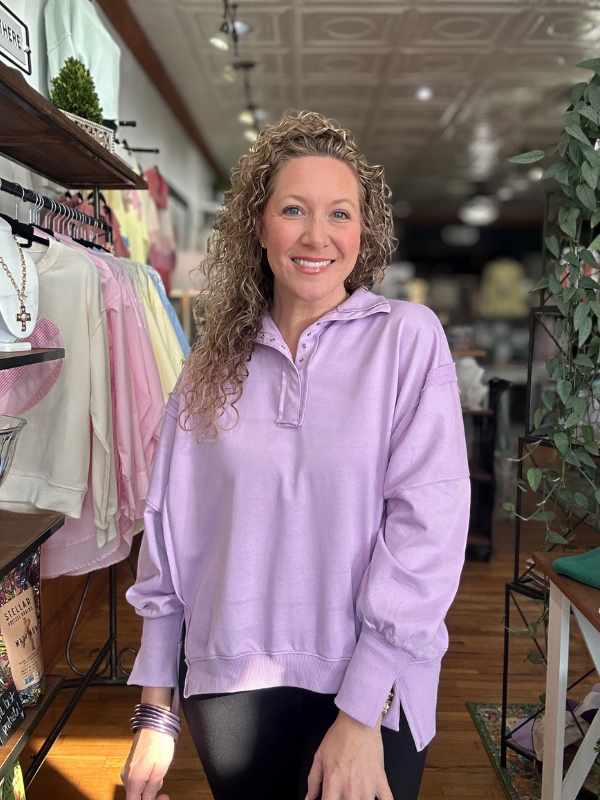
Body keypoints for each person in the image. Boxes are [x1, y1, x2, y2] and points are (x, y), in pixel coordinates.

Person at [121, 111, 470, 800]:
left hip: (375, 684)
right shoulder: (210, 364)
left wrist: (360, 707)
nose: (317, 235)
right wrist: (157, 710)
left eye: (339, 213)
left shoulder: (407, 340)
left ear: (363, 232)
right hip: (231, 686)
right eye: (293, 209)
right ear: (258, 225)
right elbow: (169, 539)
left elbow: (427, 529)